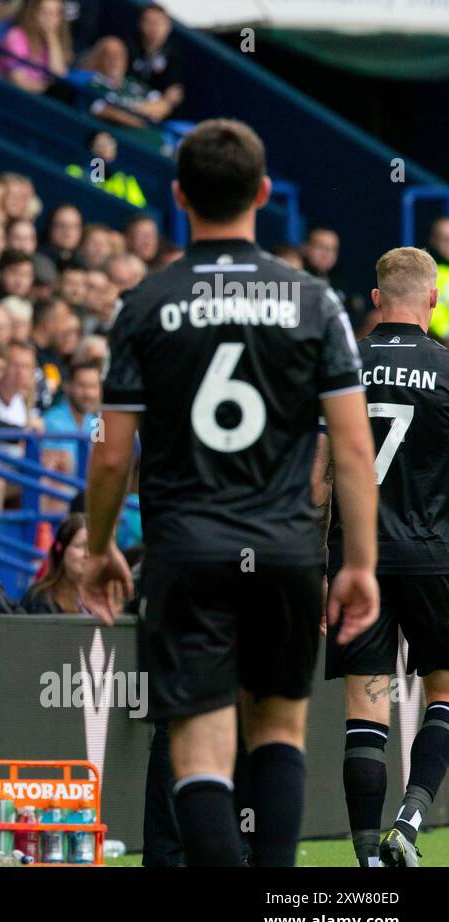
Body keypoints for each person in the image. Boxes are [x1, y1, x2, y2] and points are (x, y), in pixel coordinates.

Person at [83, 119, 379, 867]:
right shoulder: (316, 301)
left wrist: (99, 549)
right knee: (278, 734)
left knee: (200, 754)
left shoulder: (144, 303)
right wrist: (359, 564)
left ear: (178, 195)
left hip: (185, 552)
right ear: (265, 193)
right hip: (283, 552)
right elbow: (350, 445)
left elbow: (113, 455)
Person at [316, 247, 449, 867]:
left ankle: (368, 863)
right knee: (444, 697)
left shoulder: (343, 365)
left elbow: (319, 481)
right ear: (433, 299)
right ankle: (411, 820)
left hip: (355, 562)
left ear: (374, 299)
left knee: (365, 712)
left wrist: (322, 568)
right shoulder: (447, 371)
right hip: (434, 559)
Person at [19, 513, 91, 614]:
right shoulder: (40, 599)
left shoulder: (113, 596)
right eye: (80, 546)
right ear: (60, 549)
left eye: (95, 547)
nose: (88, 554)